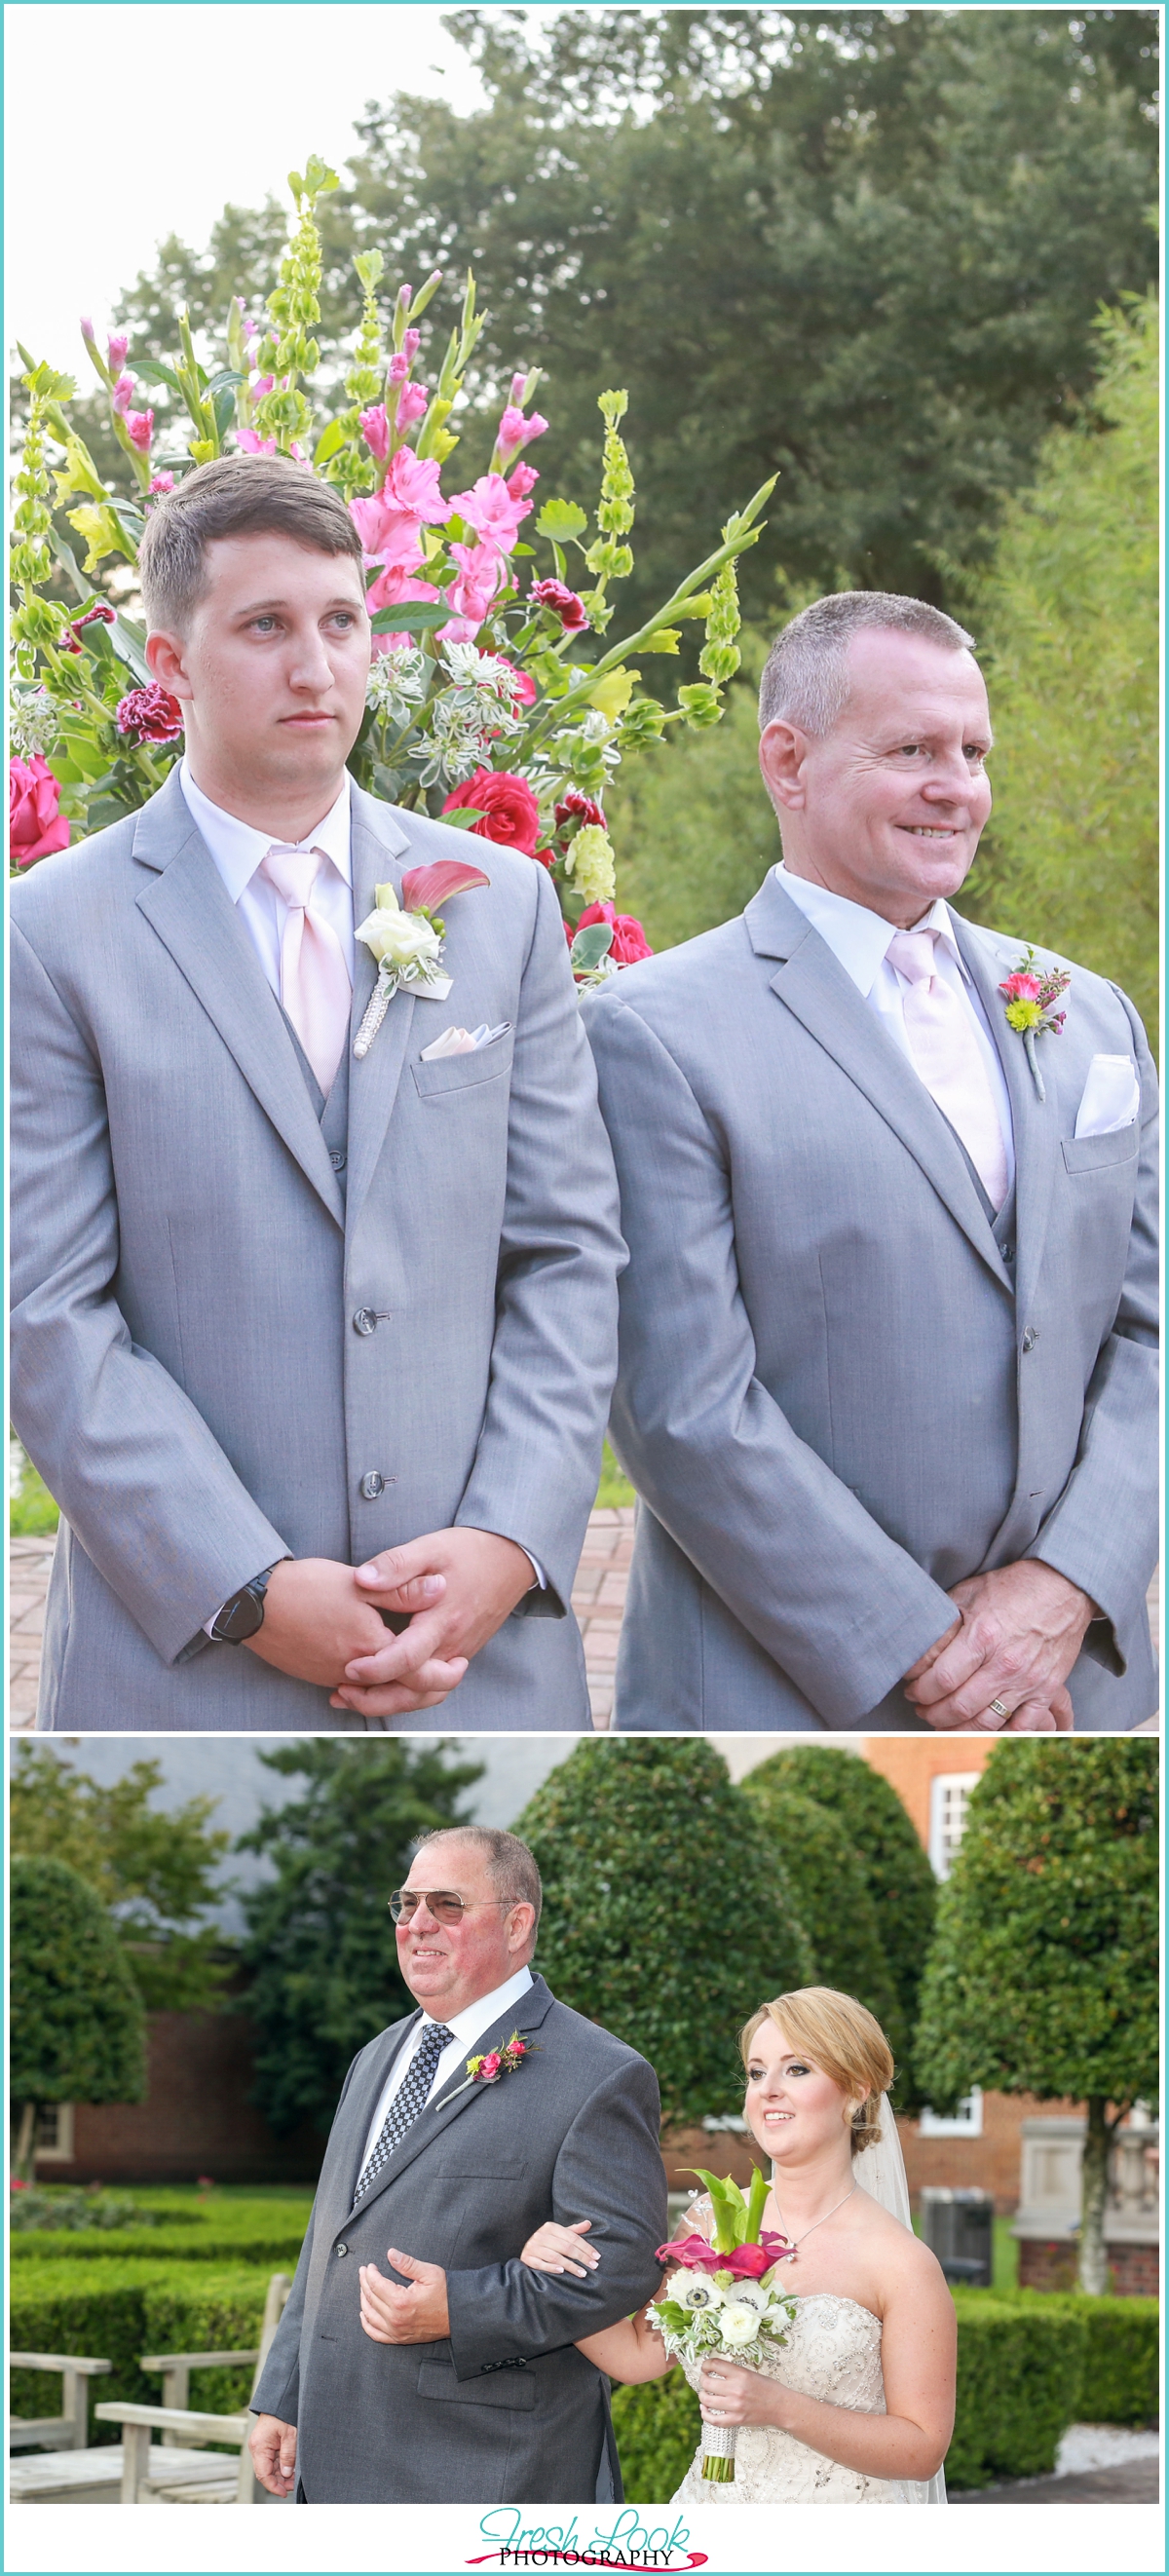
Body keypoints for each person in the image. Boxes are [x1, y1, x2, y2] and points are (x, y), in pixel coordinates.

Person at [11, 455, 624, 1729]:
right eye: (266, 628)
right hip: (186, 1666)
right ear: (169, 666)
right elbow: (46, 1310)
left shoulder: (499, 906)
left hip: (480, 1660)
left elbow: (568, 1253)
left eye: (342, 622)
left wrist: (507, 1542)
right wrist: (243, 1587)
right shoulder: (50, 937)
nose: (317, 667)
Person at [583, 591, 1158, 1732]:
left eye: (973, 751)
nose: (957, 785)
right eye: (911, 750)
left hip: (1073, 1688)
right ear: (788, 763)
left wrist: (1065, 1586)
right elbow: (683, 1405)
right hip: (787, 1695)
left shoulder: (1092, 1016)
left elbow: (1151, 1330)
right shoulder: (650, 1033)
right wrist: (934, 1648)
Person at [247, 1827, 667, 2504]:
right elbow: (332, 2238)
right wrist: (285, 2394)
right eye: (406, 1904)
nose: (417, 1925)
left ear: (516, 1922)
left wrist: (462, 2309)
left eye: (446, 1905)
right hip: (334, 2461)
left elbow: (621, 2265)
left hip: (483, 2471)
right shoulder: (374, 2058)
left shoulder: (600, 2073)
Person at [520, 1986, 955, 2506]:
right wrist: (556, 2271)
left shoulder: (901, 2263)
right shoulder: (710, 2220)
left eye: (797, 2069)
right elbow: (637, 2356)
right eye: (755, 2071)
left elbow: (923, 2446)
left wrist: (779, 2406)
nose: (768, 2089)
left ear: (857, 2089)